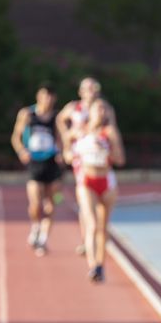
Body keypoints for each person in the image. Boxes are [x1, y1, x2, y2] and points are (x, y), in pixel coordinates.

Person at [66, 100, 125, 283]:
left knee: (102, 227)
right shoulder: (79, 131)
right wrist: (74, 154)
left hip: (106, 181)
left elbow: (121, 159)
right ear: (89, 112)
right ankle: (93, 266)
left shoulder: (110, 133)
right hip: (87, 181)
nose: (101, 112)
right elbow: (67, 154)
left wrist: (107, 152)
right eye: (97, 109)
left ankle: (101, 264)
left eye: (104, 109)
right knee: (91, 224)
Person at [57, 77, 114, 256]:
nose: (91, 91)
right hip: (81, 156)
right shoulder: (73, 108)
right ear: (81, 91)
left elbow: (112, 128)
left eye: (94, 88)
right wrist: (67, 141)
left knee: (99, 200)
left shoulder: (104, 108)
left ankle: (98, 232)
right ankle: (87, 236)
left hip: (99, 154)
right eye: (87, 88)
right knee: (85, 196)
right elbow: (60, 120)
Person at [11, 83, 62, 256]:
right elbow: (16, 136)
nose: (47, 99)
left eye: (50, 96)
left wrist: (62, 152)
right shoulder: (27, 114)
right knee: (35, 202)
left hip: (52, 162)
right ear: (38, 96)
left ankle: (43, 239)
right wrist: (21, 151)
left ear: (53, 98)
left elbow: (62, 138)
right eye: (44, 95)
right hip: (34, 161)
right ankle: (35, 226)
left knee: (51, 204)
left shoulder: (57, 117)